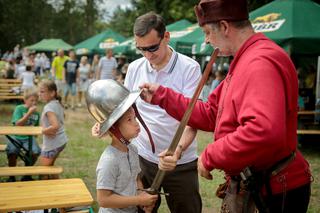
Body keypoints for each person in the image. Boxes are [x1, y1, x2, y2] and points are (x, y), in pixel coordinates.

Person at [139, 1, 312, 212]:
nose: (206, 40)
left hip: (274, 189)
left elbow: (263, 131)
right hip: (260, 184)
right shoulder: (245, 59)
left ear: (224, 26)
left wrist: (211, 155)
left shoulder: (260, 62)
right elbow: (212, 113)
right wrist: (161, 95)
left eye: (207, 32)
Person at [125, 12, 202, 213]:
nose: (147, 55)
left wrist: (178, 150)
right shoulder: (134, 68)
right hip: (143, 158)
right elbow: (126, 110)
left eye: (152, 48)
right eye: (141, 49)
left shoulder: (190, 68)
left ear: (166, 37)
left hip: (181, 162)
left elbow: (193, 120)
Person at [87, 80, 158, 213]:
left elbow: (136, 179)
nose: (136, 124)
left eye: (135, 118)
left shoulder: (133, 150)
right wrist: (138, 200)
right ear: (114, 128)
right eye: (129, 120)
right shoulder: (109, 160)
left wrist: (142, 198)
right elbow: (103, 200)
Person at [6, 88, 41, 182]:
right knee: (12, 151)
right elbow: (17, 124)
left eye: (36, 101)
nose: (34, 103)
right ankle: (11, 175)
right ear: (25, 100)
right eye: (32, 100)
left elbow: (36, 129)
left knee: (35, 151)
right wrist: (29, 113)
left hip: (28, 138)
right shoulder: (19, 109)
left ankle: (27, 174)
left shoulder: (37, 114)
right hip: (16, 136)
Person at [39, 80, 68, 179]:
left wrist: (44, 131)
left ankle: (48, 190)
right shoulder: (57, 103)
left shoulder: (49, 107)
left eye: (42, 92)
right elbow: (62, 117)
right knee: (50, 168)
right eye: (40, 92)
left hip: (52, 144)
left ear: (52, 93)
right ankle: (57, 186)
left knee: (44, 172)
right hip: (60, 141)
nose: (40, 94)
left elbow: (55, 126)